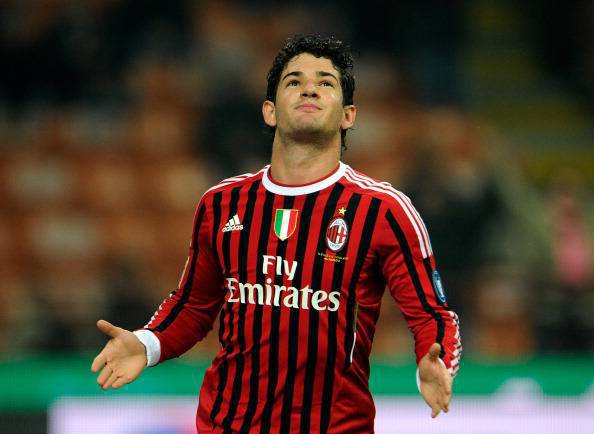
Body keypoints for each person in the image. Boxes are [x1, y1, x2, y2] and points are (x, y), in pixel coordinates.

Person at [91, 35, 462, 433]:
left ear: (348, 115)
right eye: (294, 81)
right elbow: (194, 305)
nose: (309, 89)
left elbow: (431, 314)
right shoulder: (221, 204)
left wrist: (435, 360)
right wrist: (147, 344)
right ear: (269, 111)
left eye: (325, 82)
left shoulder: (383, 210)